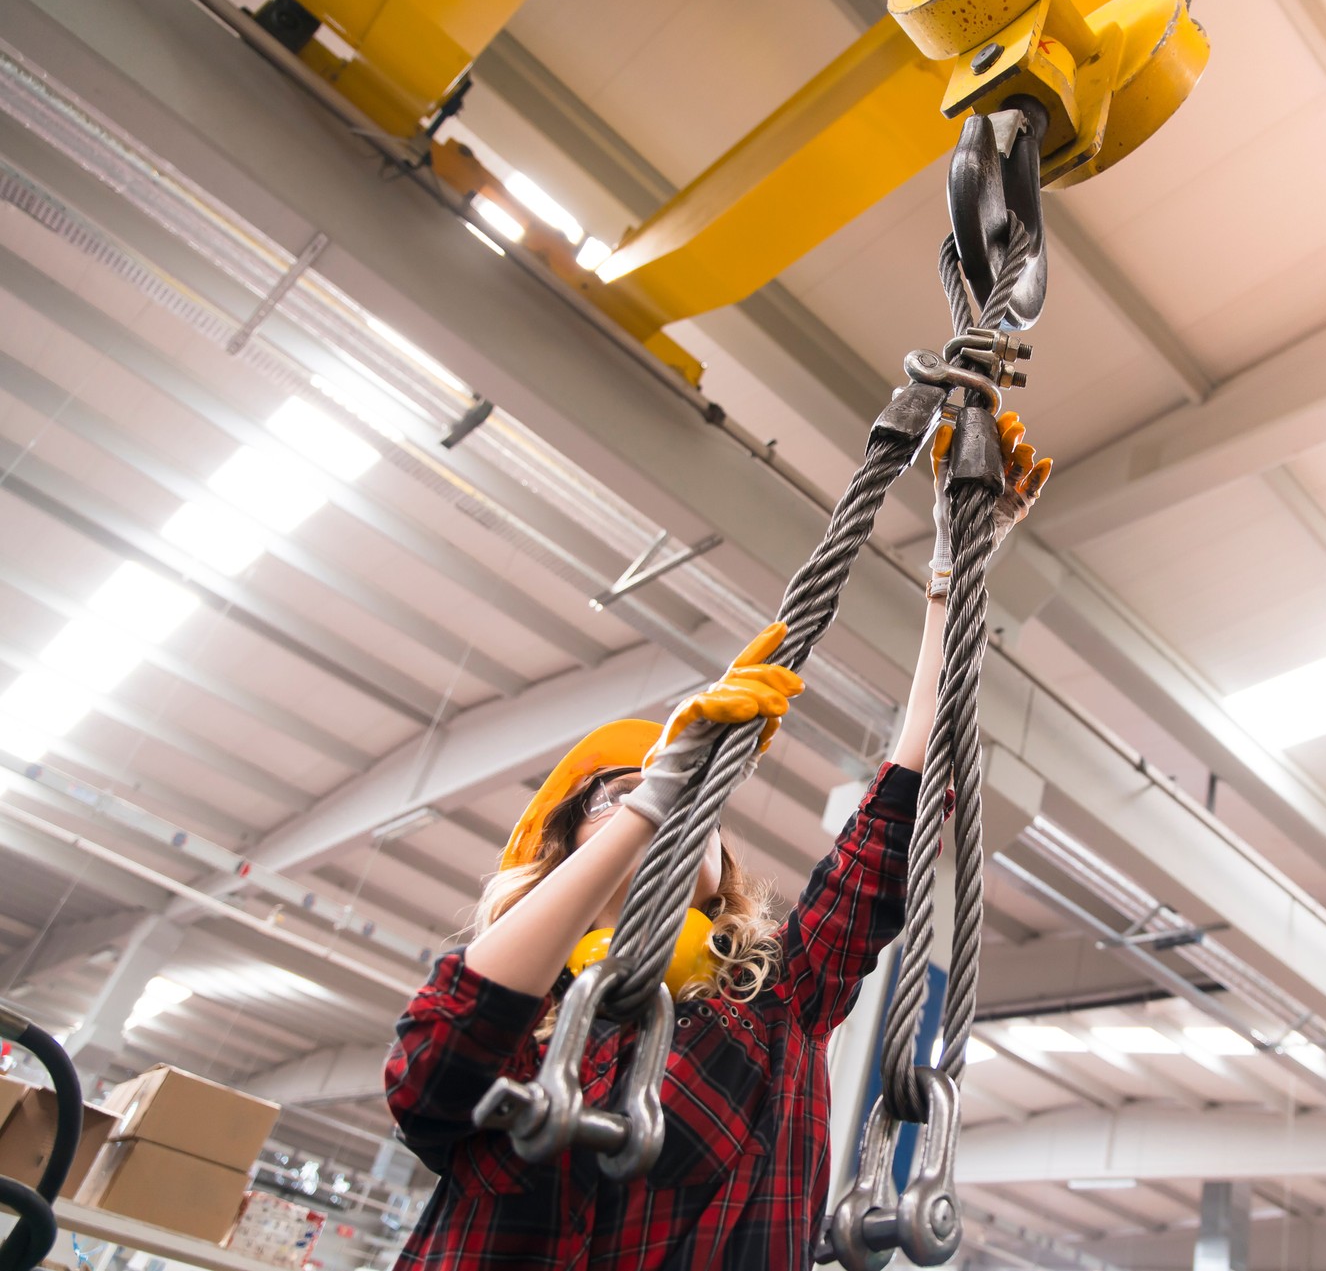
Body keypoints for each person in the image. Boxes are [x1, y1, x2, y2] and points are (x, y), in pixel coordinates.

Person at [383, 414, 1050, 1270]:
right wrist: (652, 799)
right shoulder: (538, 1032)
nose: (677, 805)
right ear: (570, 855)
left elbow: (901, 806)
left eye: (696, 793)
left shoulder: (784, 999)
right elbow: (432, 1069)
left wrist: (958, 569)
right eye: (622, 795)